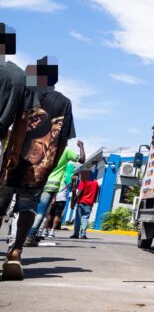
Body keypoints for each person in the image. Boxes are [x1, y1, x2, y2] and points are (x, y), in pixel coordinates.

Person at [0, 56, 75, 281]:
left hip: (13, 160)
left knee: (0, 205)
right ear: (55, 79)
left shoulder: (26, 91)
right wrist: (51, 164)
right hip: (39, 166)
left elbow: (18, 122)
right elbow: (62, 139)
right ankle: (16, 252)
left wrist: (11, 152)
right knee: (27, 207)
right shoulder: (64, 102)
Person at [25, 140, 85, 245]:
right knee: (41, 211)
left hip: (36, 180)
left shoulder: (44, 145)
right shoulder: (66, 150)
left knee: (29, 208)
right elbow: (82, 159)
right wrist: (81, 146)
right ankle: (30, 236)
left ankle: (19, 234)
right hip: (51, 184)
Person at [71, 169, 99, 239]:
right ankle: (83, 233)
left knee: (78, 218)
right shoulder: (96, 183)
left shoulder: (83, 181)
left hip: (81, 202)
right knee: (85, 218)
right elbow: (96, 194)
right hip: (89, 203)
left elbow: (79, 192)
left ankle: (76, 234)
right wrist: (93, 201)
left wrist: (74, 201)